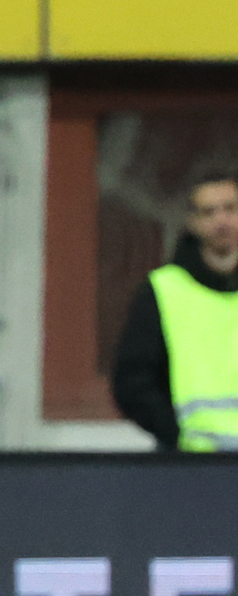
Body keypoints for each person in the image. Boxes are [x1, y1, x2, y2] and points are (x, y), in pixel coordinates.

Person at [113, 170, 238, 450]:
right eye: (209, 212)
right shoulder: (164, 291)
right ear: (192, 222)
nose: (222, 221)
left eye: (231, 209)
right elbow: (132, 381)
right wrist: (176, 433)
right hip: (190, 466)